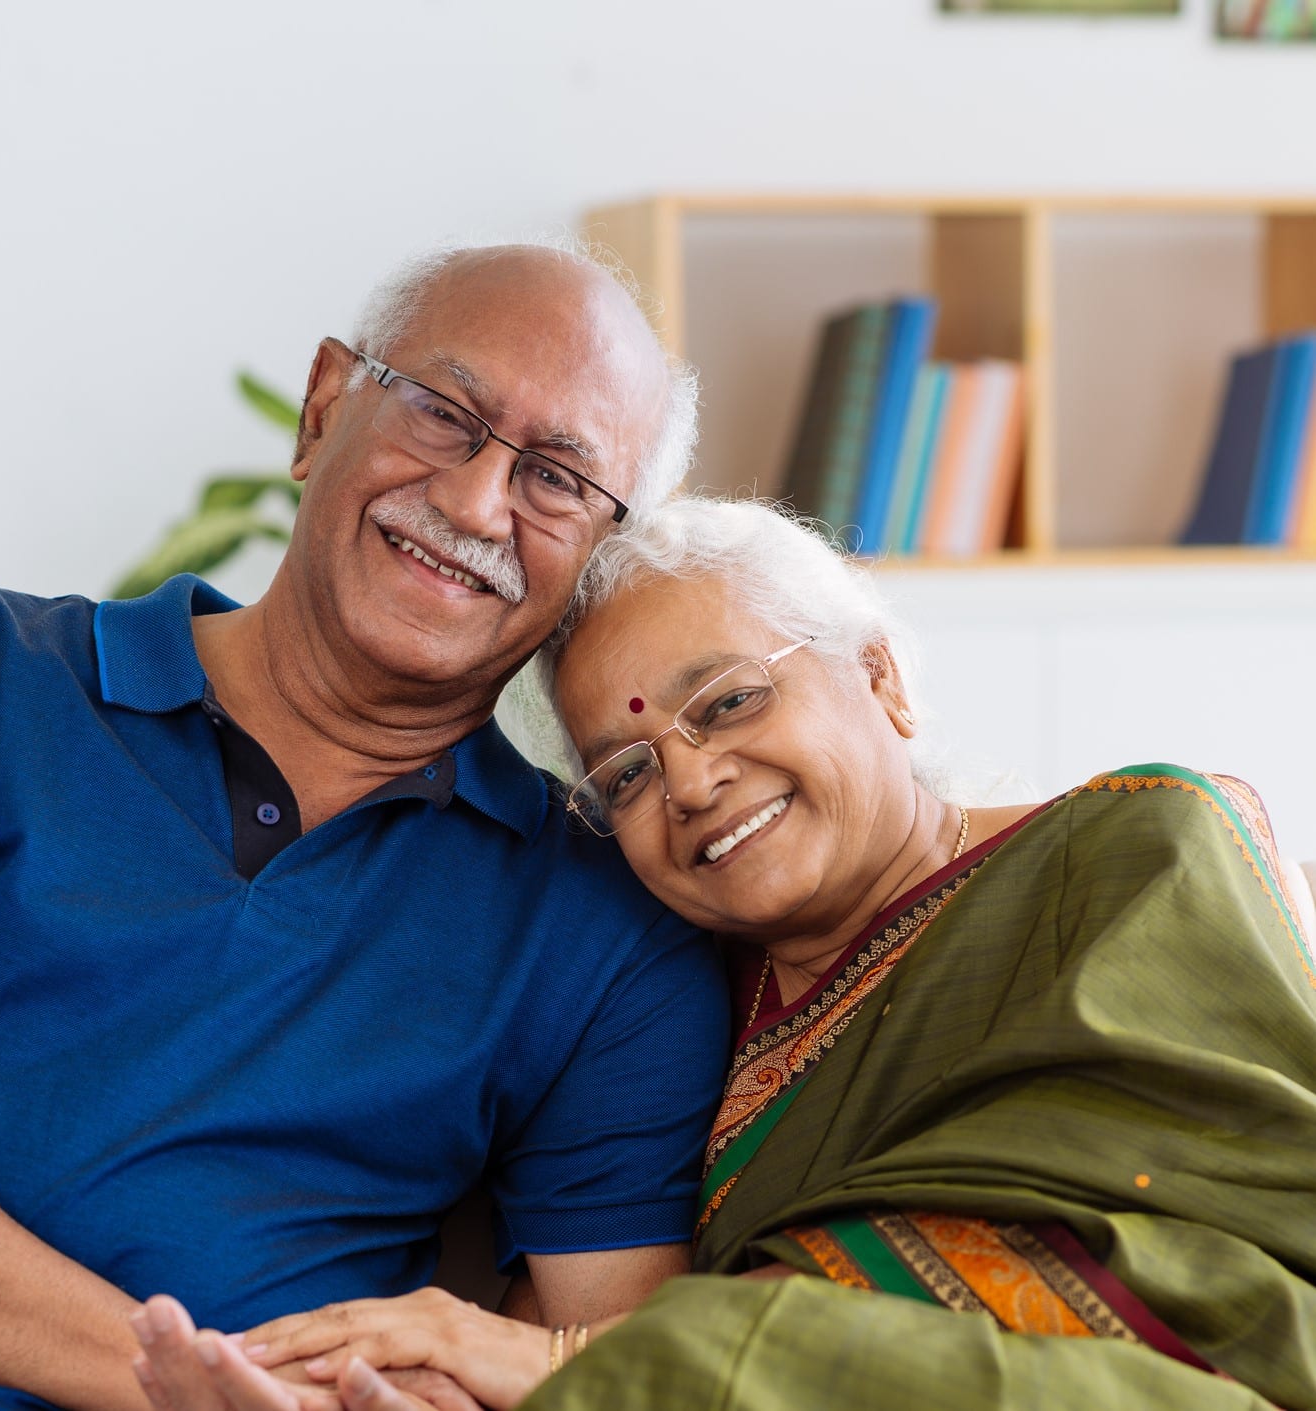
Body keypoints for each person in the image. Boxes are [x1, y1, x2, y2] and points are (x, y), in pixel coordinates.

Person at [135, 495, 1316, 1411]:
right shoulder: (666, 993)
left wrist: (562, 1365)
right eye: (628, 774)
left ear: (881, 678)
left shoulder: (1137, 850)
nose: (692, 781)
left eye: (732, 703)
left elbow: (1182, 1270)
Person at [0, 243, 734, 1410]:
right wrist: (190, 1388)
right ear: (323, 407)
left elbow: (608, 1367)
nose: (474, 501)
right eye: (447, 415)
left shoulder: (609, 927)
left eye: (557, 477)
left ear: (600, 562)